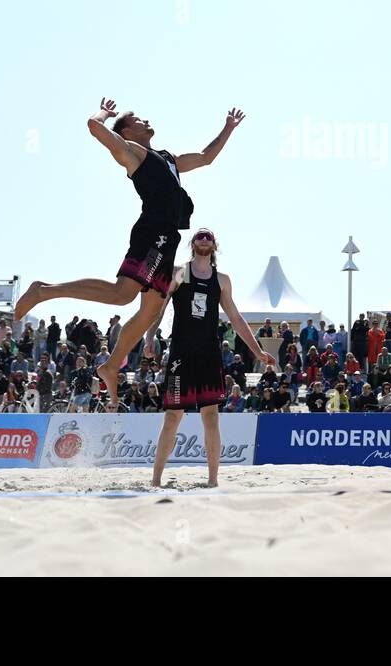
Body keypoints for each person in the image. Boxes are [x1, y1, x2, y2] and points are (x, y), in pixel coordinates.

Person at [14, 99, 246, 401]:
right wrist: (105, 114)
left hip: (167, 239)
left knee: (149, 313)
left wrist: (227, 128)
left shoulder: (168, 158)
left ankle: (111, 367)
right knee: (122, 294)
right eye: (137, 119)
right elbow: (94, 127)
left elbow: (206, 157)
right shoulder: (134, 154)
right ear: (126, 132)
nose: (145, 120)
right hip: (153, 234)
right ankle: (44, 290)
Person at [146, 228, 275, 488]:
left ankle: (213, 480)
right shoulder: (178, 272)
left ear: (215, 245)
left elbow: (236, 319)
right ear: (192, 243)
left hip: (208, 355)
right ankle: (156, 480)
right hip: (181, 354)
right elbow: (159, 308)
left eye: (208, 237)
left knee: (211, 416)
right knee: (172, 416)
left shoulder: (223, 280)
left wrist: (258, 350)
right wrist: (150, 338)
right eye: (199, 236)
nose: (203, 239)